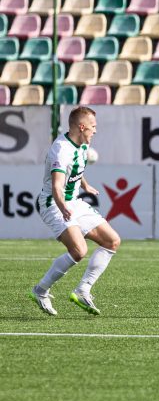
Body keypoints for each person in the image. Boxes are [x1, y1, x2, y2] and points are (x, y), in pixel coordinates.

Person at [31, 107, 121, 317]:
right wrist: (63, 208)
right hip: (53, 203)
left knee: (112, 241)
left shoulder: (81, 144)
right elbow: (56, 186)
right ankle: (40, 290)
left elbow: (76, 170)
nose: (95, 131)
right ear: (82, 127)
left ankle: (83, 290)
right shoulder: (61, 150)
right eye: (93, 127)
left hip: (73, 201)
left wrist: (85, 185)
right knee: (79, 251)